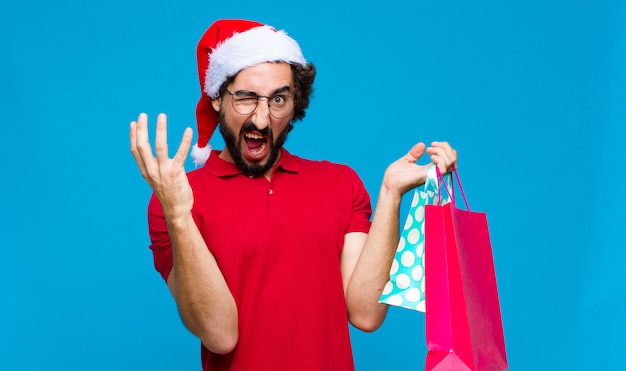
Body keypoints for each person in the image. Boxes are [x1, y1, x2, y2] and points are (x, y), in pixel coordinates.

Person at [129, 19, 457, 371]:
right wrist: (179, 214)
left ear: (295, 104)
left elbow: (365, 314)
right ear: (216, 100)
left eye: (278, 99)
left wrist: (392, 194)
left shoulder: (340, 183)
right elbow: (219, 334)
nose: (261, 119)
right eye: (246, 98)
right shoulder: (178, 200)